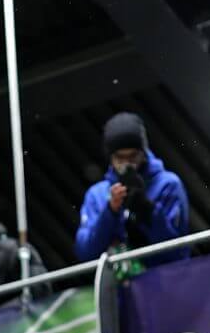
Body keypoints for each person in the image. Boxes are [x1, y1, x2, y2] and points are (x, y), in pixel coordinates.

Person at [72, 112, 189, 264]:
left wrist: (146, 209)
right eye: (120, 158)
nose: (127, 164)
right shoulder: (97, 194)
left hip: (163, 281)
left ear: (143, 153)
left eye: (133, 156)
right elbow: (85, 253)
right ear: (111, 157)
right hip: (118, 285)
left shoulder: (168, 184)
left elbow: (177, 251)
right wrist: (110, 211)